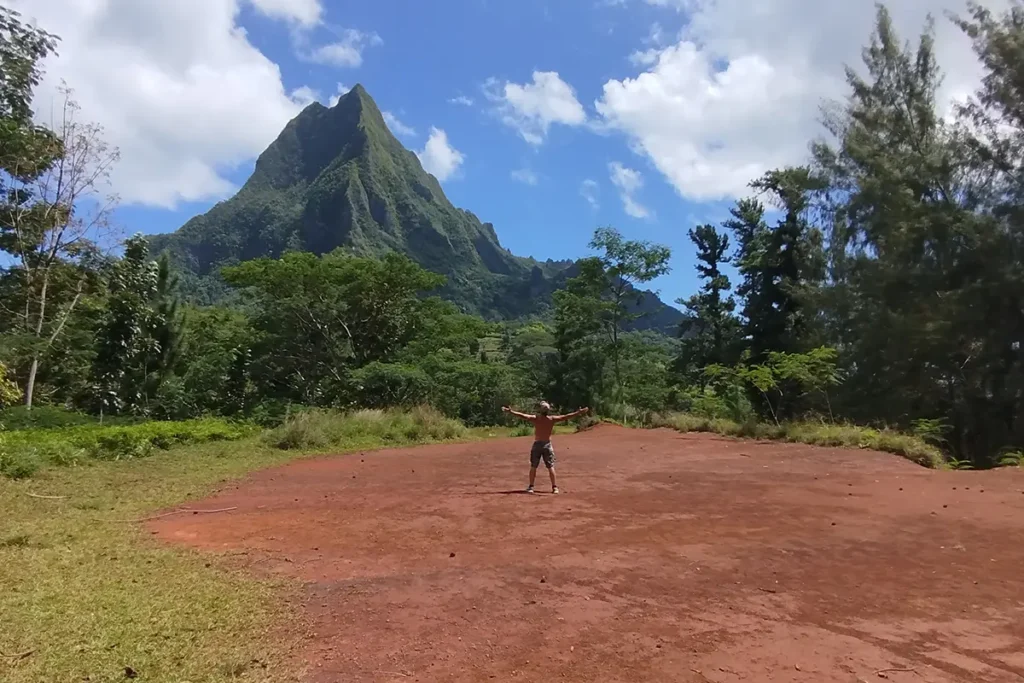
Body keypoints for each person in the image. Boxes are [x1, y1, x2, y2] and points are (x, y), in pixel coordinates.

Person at [502, 402, 589, 494]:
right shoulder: (551, 419)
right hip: (547, 444)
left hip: (537, 444)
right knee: (550, 466)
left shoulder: (536, 419)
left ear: (540, 410)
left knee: (533, 466)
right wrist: (578, 412)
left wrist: (511, 412)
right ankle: (554, 487)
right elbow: (565, 416)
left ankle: (531, 487)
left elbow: (523, 415)